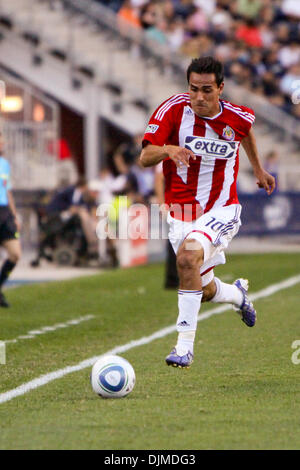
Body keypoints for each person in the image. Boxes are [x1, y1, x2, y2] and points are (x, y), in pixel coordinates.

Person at [140, 56, 275, 368]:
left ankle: (184, 347)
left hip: (222, 208)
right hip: (181, 211)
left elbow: (245, 135)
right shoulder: (172, 109)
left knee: (187, 259)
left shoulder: (236, 116)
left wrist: (258, 170)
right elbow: (145, 156)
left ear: (220, 89)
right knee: (201, 286)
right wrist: (168, 150)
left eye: (206, 90)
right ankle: (238, 296)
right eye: (193, 89)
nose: (199, 97)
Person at [0, 133, 22, 307]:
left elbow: (7, 191)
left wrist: (14, 216)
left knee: (15, 254)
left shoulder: (5, 165)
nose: (3, 143)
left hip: (5, 212)